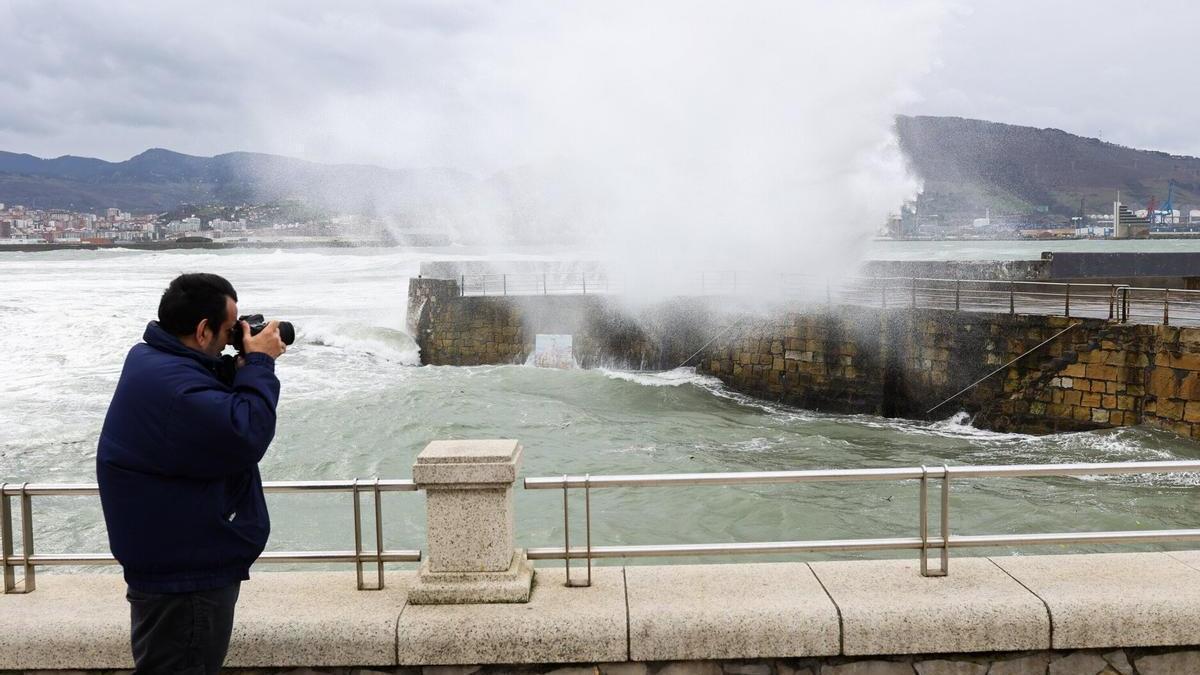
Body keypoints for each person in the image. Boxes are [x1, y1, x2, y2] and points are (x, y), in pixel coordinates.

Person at [96, 272, 287, 674]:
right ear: (202, 330)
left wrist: (239, 364)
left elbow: (206, 403)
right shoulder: (177, 390)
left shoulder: (151, 360)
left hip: (172, 560)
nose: (234, 334)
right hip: (186, 580)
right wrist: (260, 363)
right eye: (228, 327)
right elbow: (246, 432)